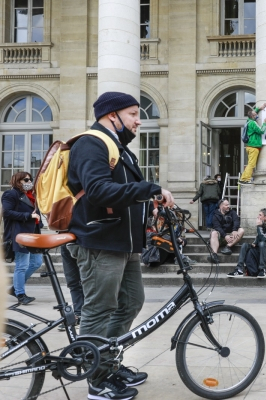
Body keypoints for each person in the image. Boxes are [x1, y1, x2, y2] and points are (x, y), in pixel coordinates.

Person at [67, 91, 175, 400]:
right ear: (111, 115)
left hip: (125, 244)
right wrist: (149, 188)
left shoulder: (121, 150)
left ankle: (109, 362)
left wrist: (149, 203)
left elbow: (123, 193)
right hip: (100, 242)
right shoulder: (91, 143)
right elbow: (99, 190)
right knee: (100, 309)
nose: (138, 120)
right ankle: (97, 380)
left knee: (131, 302)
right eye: (132, 114)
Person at [2, 172, 43, 305]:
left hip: (33, 234)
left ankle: (15, 288)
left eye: (30, 179)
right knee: (22, 265)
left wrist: (38, 220)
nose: (29, 182)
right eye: (26, 180)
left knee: (37, 262)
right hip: (19, 234)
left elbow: (36, 213)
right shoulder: (11, 194)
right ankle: (20, 293)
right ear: (17, 181)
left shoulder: (32, 196)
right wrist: (28, 216)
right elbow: (7, 212)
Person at [227, 208, 266, 278]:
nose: (258, 217)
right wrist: (255, 242)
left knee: (262, 243)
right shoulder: (262, 226)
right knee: (245, 245)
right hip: (262, 252)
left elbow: (264, 239)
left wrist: (259, 227)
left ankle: (262, 270)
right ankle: (239, 270)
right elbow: (258, 238)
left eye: (260, 215)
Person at [240, 103, 266, 184]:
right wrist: (264, 123)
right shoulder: (253, 123)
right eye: (255, 114)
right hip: (254, 146)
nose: (256, 115)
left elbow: (253, 112)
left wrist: (259, 108)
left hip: (250, 146)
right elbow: (261, 131)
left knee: (250, 163)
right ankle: (246, 179)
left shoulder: (248, 121)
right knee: (251, 164)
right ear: (252, 116)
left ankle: (243, 178)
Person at [57, 245, 83, 331]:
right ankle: (78, 313)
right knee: (72, 281)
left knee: (89, 281)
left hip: (85, 241)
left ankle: (83, 314)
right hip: (66, 241)